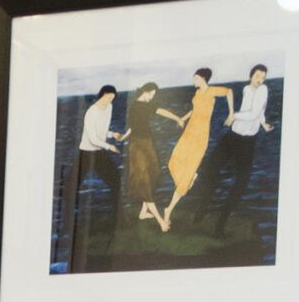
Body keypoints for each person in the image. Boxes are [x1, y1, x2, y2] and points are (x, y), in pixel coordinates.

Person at [158, 67, 231, 232]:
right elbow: (195, 109)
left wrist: (231, 114)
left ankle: (168, 209)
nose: (194, 81)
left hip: (200, 135)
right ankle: (189, 179)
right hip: (189, 130)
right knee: (173, 162)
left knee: (186, 177)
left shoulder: (212, 91)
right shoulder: (198, 93)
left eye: (196, 78)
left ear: (204, 78)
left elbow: (229, 91)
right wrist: (182, 118)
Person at [204, 63, 271, 233]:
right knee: (210, 169)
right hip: (233, 137)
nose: (260, 80)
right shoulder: (247, 89)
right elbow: (259, 111)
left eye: (263, 78)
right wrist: (263, 123)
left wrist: (233, 116)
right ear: (251, 76)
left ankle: (221, 221)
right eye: (257, 76)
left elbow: (255, 113)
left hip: (247, 142)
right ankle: (204, 207)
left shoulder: (263, 89)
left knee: (241, 182)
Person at [60, 84, 120, 267]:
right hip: (87, 152)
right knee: (71, 186)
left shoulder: (109, 108)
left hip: (99, 152)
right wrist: (109, 146)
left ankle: (117, 218)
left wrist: (112, 134)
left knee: (115, 180)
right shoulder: (91, 112)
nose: (110, 101)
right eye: (108, 97)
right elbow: (93, 137)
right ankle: (66, 223)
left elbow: (102, 132)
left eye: (112, 98)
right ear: (101, 95)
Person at [123, 79, 169, 228]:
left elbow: (161, 111)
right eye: (151, 94)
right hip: (137, 145)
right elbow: (132, 127)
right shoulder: (135, 107)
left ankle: (143, 212)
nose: (152, 97)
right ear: (145, 91)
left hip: (147, 143)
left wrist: (178, 118)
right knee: (143, 180)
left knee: (154, 172)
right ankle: (160, 221)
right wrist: (124, 137)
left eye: (154, 95)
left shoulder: (146, 106)